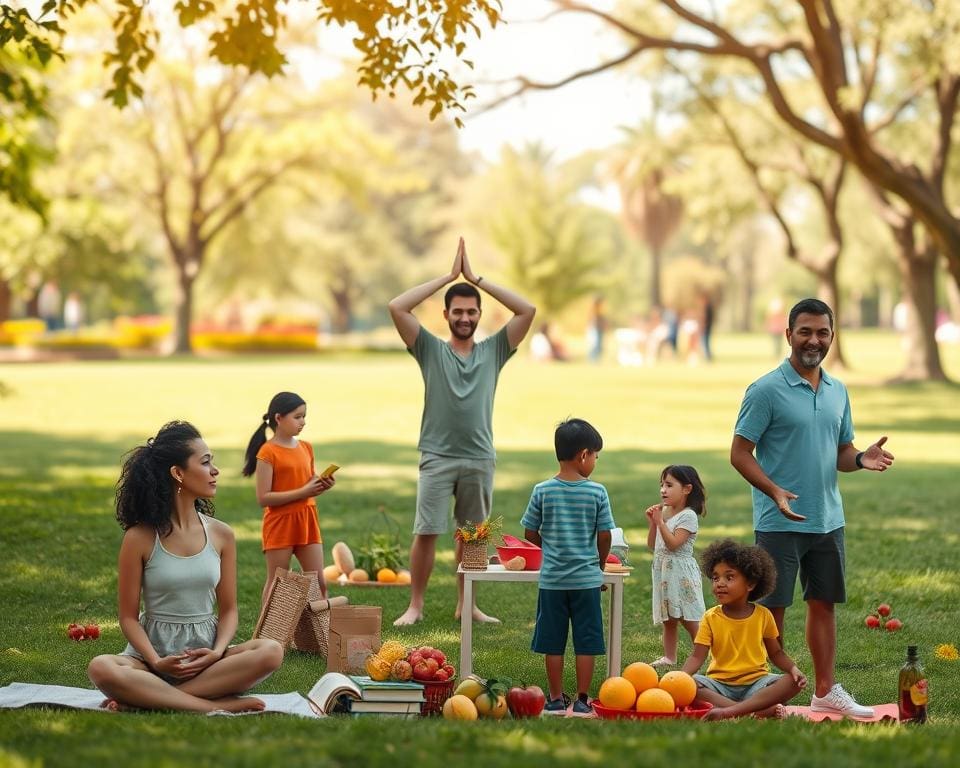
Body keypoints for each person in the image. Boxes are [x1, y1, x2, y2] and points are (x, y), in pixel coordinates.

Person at [731, 297, 894, 718]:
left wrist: (860, 458)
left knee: (823, 604)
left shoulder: (839, 391)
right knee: (772, 611)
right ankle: (769, 692)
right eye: (805, 331)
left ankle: (824, 690)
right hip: (778, 521)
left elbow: (841, 451)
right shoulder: (765, 390)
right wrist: (774, 490)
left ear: (832, 337)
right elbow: (740, 453)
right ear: (788, 335)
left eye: (822, 332)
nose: (813, 340)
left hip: (827, 519)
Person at [388, 237, 536, 627]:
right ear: (446, 314)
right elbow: (397, 306)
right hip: (437, 456)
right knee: (427, 532)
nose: (465, 317)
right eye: (458, 311)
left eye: (472, 311)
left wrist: (476, 278)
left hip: (479, 457)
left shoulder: (494, 350)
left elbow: (527, 309)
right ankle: (415, 605)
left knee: (471, 537)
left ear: (479, 313)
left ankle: (466, 604)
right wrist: (448, 276)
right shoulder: (429, 349)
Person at [87, 421, 283, 712]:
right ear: (178, 473)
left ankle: (148, 701)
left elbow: (229, 610)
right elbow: (128, 617)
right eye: (205, 463)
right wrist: (155, 660)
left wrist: (216, 653)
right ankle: (213, 705)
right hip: (149, 661)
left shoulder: (222, 535)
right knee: (101, 666)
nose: (215, 470)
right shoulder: (139, 538)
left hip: (206, 661)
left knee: (270, 651)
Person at [521, 418, 615, 716]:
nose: (595, 463)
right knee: (586, 641)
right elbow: (604, 535)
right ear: (584, 455)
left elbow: (529, 532)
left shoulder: (542, 490)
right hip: (586, 581)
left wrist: (548, 549)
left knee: (553, 641)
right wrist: (598, 566)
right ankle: (584, 699)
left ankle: (555, 698)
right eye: (596, 457)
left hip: (552, 581)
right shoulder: (597, 492)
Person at [681, 539, 807, 720]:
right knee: (692, 685)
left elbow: (776, 652)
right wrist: (680, 678)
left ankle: (727, 712)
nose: (719, 583)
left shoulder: (763, 615)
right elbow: (696, 657)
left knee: (792, 682)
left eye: (729, 577)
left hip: (757, 684)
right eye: (715, 577)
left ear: (750, 584)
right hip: (719, 685)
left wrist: (793, 669)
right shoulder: (710, 617)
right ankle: (753, 711)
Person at [242, 392, 336, 604]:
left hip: (307, 520)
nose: (303, 421)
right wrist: (303, 492)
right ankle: (266, 633)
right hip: (280, 524)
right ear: (278, 418)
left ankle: (321, 633)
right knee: (278, 582)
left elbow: (309, 481)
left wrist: (323, 484)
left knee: (319, 581)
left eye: (304, 416)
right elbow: (263, 498)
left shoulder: (306, 447)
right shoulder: (267, 452)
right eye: (297, 416)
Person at [645, 465, 707, 668]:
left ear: (687, 489)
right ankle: (669, 657)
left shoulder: (688, 516)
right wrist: (653, 524)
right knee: (669, 618)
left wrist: (661, 523)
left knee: (688, 617)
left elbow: (673, 544)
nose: (663, 489)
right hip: (663, 572)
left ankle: (706, 654)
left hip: (680, 573)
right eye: (661, 485)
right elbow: (652, 545)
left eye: (669, 485)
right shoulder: (664, 511)